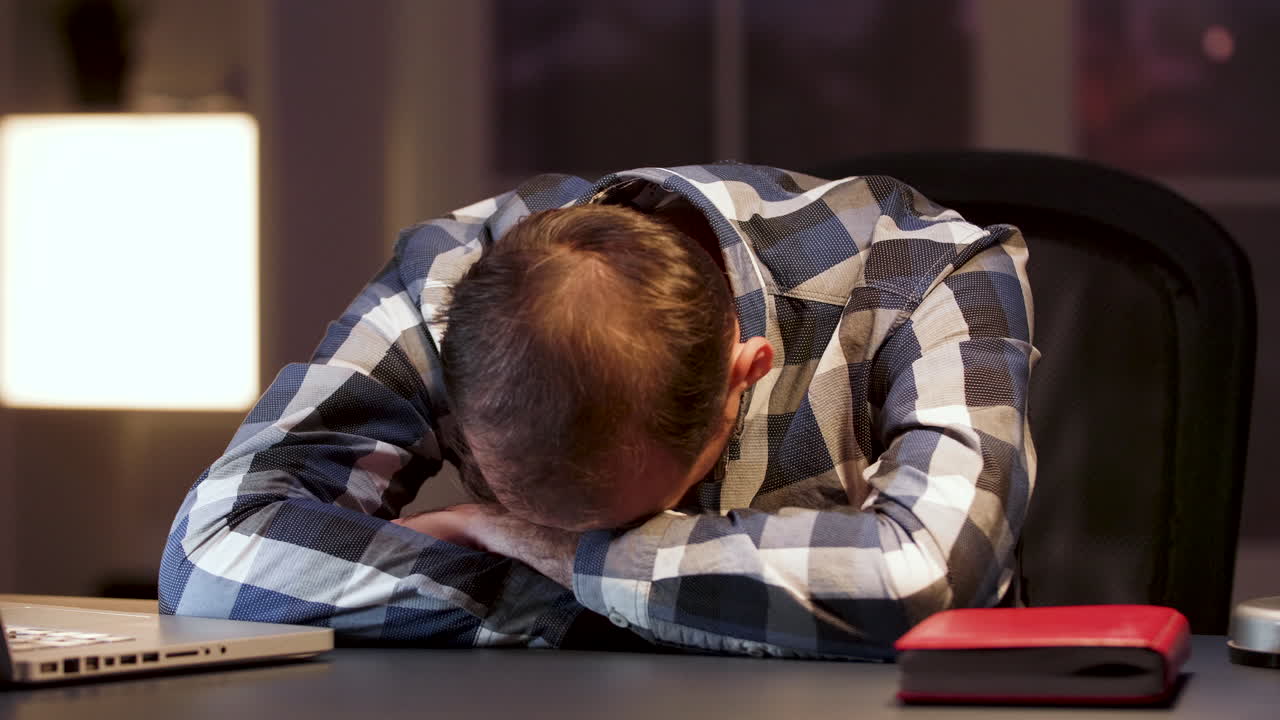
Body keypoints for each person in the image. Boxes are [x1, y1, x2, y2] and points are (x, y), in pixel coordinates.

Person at [159, 162, 1037, 658]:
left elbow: (927, 578)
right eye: (532, 513)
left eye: (621, 523)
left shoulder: (930, 271)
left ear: (745, 376)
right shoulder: (452, 285)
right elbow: (214, 552)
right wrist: (604, 607)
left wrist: (541, 549)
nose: (564, 537)